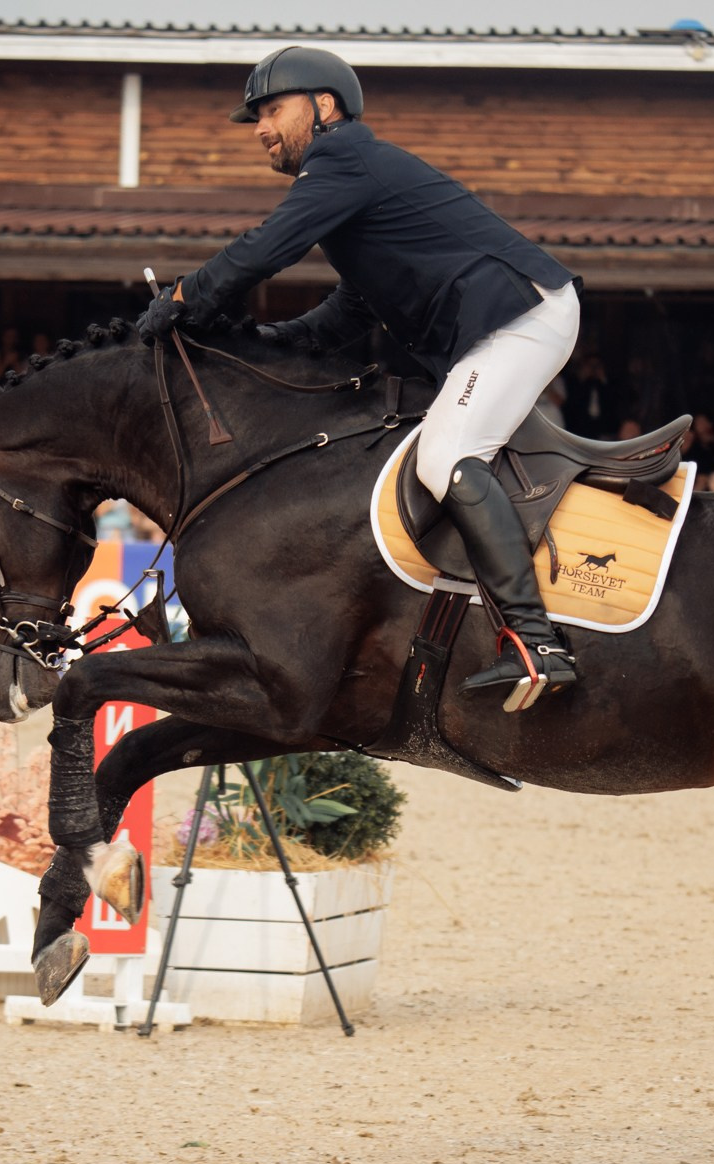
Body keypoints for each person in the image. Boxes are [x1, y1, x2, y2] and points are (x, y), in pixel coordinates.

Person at [141, 46, 584, 704]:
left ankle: (536, 643)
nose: (260, 127)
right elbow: (345, 313)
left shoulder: (341, 157)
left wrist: (185, 298)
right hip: (506, 322)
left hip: (521, 316)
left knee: (448, 453)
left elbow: (268, 247)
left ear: (325, 107)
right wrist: (254, 345)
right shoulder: (354, 183)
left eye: (271, 109)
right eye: (256, 116)